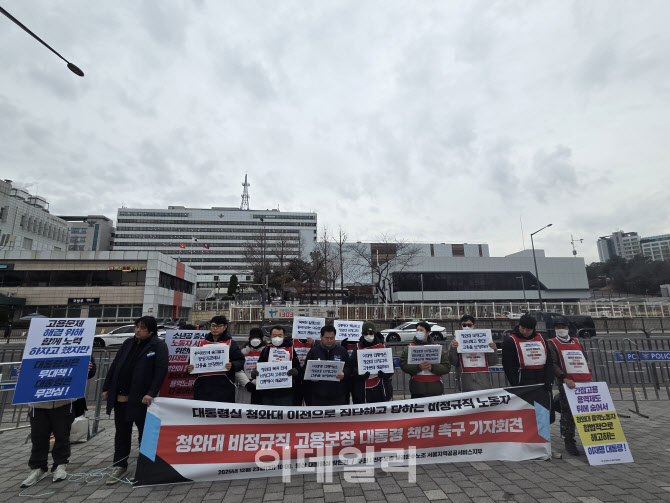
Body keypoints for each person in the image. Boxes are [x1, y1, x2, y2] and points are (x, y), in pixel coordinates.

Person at [102, 316, 168, 484]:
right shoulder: (128, 343)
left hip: (142, 398)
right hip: (121, 396)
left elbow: (160, 371)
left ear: (151, 331)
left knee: (145, 434)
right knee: (121, 433)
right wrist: (107, 387)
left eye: (142, 328)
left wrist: (151, 392)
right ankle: (119, 465)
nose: (138, 330)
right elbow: (115, 365)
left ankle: (145, 467)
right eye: (137, 327)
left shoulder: (158, 345)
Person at [20, 356, 96, 487]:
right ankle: (38, 467)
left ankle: (60, 465)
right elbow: (29, 366)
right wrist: (24, 371)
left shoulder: (75, 347)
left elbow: (90, 371)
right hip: (38, 402)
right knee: (38, 436)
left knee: (62, 435)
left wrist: (87, 369)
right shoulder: (37, 347)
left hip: (63, 401)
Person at [547, 321, 592, 456]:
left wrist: (589, 374)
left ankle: (590, 439)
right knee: (569, 413)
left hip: (583, 381)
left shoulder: (576, 341)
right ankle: (569, 440)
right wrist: (564, 378)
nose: (561, 329)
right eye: (558, 327)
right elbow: (553, 363)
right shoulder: (552, 343)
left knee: (585, 412)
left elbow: (583, 358)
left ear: (568, 328)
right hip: (566, 383)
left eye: (563, 327)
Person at [186, 315, 245, 403]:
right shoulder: (201, 344)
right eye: (213, 326)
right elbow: (191, 363)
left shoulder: (230, 344)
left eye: (219, 326)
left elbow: (241, 361)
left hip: (224, 387)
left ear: (225, 327)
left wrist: (232, 365)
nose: (215, 328)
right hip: (203, 386)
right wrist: (189, 369)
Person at [302, 325, 352, 406]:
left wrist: (344, 373)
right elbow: (305, 369)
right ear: (321, 337)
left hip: (338, 395)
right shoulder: (314, 351)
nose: (329, 341)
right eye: (327, 338)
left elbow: (349, 367)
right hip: (318, 396)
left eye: (332, 338)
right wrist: (311, 376)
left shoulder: (341, 350)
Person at [400, 321, 450, 398]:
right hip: (417, 390)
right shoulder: (409, 348)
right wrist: (418, 367)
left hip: (435, 390)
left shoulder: (437, 348)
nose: (418, 332)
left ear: (427, 333)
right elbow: (403, 365)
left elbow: (446, 367)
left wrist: (432, 367)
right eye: (417, 330)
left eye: (421, 330)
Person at [501, 314, 553, 389]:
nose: (525, 332)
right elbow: (508, 365)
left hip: (542, 380)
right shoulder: (510, 341)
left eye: (528, 330)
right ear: (519, 326)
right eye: (523, 328)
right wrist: (515, 384)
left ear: (533, 329)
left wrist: (549, 380)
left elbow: (549, 360)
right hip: (522, 381)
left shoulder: (541, 339)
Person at [448, 315, 499, 392]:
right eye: (464, 325)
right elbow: (453, 362)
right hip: (465, 383)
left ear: (474, 325)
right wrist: (453, 349)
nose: (466, 327)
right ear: (461, 326)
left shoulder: (485, 339)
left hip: (483, 382)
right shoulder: (455, 342)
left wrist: (493, 349)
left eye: (469, 325)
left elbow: (493, 362)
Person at [254, 325, 301, 406]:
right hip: (267, 392)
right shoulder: (266, 350)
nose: (277, 338)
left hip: (285, 393)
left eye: (280, 336)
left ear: (284, 336)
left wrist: (296, 371)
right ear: (270, 336)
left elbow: (298, 367)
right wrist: (255, 373)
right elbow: (259, 367)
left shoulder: (290, 350)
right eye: (274, 336)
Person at [350, 321, 393, 403]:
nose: (368, 335)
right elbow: (352, 367)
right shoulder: (358, 347)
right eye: (366, 334)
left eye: (371, 333)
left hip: (381, 388)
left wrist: (385, 374)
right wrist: (360, 374)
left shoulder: (383, 347)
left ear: (374, 333)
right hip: (363, 389)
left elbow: (391, 367)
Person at [236, 328, 265, 404]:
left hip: (261, 385)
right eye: (253, 338)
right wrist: (246, 383)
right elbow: (238, 369)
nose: (255, 340)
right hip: (245, 386)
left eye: (257, 338)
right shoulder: (242, 352)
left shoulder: (266, 352)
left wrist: (255, 382)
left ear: (261, 339)